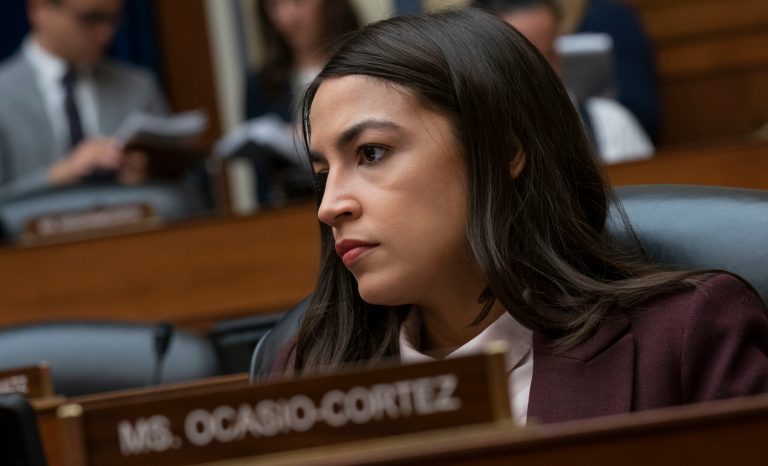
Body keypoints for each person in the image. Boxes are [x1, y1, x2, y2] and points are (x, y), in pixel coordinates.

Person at [258, 8, 768, 425]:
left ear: (503, 151)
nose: (330, 206)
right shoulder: (306, 375)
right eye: (322, 174)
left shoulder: (688, 340)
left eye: (371, 153)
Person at [0, 0, 169, 203]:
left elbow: (181, 190)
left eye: (113, 19)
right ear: (39, 9)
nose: (107, 33)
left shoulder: (139, 86)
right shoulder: (4, 91)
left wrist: (145, 176)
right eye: (91, 18)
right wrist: (57, 176)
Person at [478, 0, 653, 164]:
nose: (543, 72)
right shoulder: (476, 138)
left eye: (549, 54)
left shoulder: (610, 124)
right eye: (521, 62)